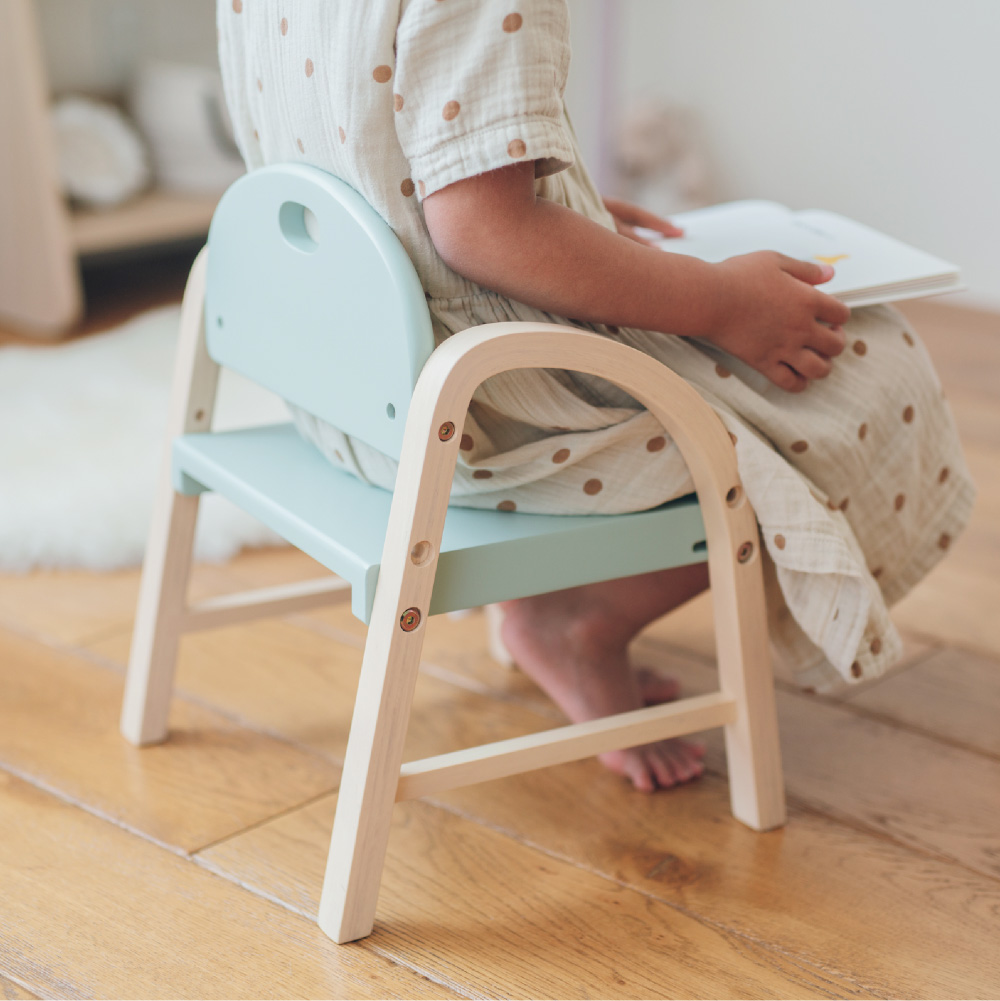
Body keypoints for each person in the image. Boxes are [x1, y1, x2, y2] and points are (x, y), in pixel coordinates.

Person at [217, 0, 975, 792]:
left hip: (342, 378)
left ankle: (566, 611)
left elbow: (370, 163)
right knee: (865, 364)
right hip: (481, 409)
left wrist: (566, 211)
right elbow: (481, 232)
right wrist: (720, 303)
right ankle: (582, 618)